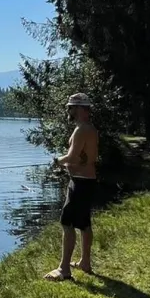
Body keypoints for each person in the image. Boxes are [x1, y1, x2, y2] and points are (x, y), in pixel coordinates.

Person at [44, 93, 98, 282]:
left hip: (80, 182)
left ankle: (64, 269)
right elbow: (87, 158)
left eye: (71, 107)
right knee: (84, 223)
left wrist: (58, 161)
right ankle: (85, 263)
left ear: (80, 109)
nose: (69, 110)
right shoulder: (90, 128)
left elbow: (73, 158)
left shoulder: (81, 130)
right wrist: (69, 164)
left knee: (67, 223)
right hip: (87, 180)